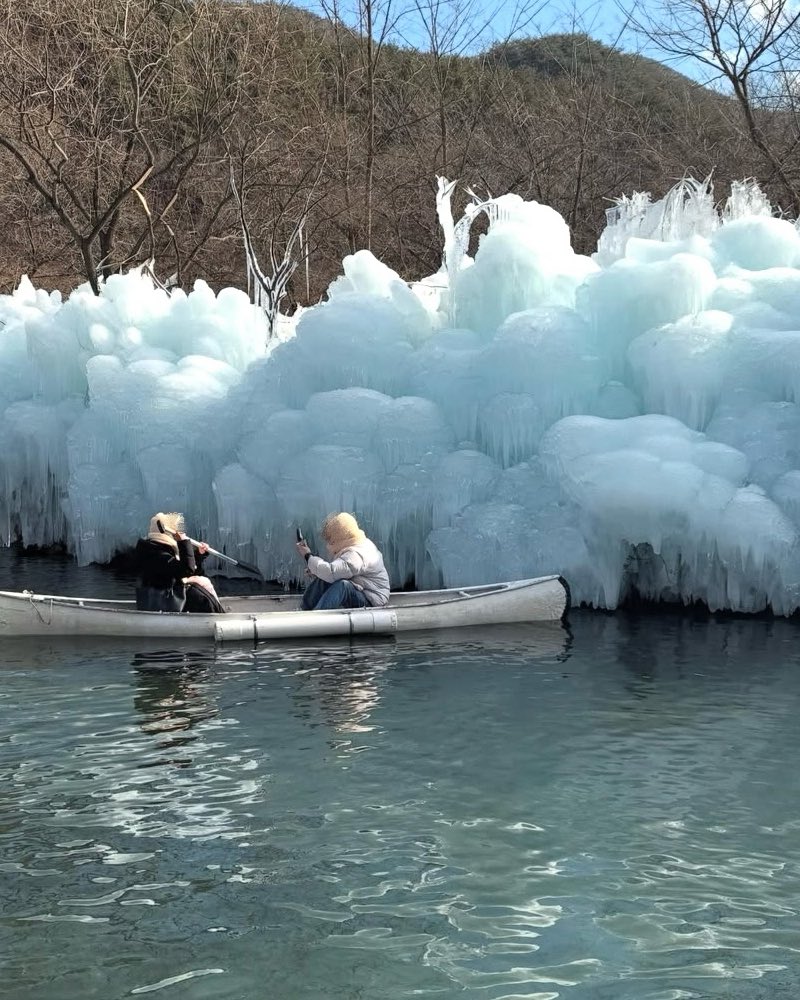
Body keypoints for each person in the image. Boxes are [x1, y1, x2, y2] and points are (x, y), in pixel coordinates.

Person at [295, 512, 390, 611]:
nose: (329, 544)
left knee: (342, 586)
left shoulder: (357, 554)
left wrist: (308, 556)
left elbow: (331, 572)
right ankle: (304, 610)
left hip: (372, 599)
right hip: (362, 589)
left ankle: (317, 616)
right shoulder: (356, 544)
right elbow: (336, 571)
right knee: (323, 578)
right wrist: (315, 570)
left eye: (331, 540)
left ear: (340, 537)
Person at [134, 512, 223, 613]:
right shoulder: (158, 554)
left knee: (202, 581)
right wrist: (183, 542)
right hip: (163, 600)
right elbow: (187, 570)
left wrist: (199, 554)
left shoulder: (153, 549)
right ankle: (218, 614)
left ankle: (217, 610)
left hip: (161, 595)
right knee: (203, 583)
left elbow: (181, 569)